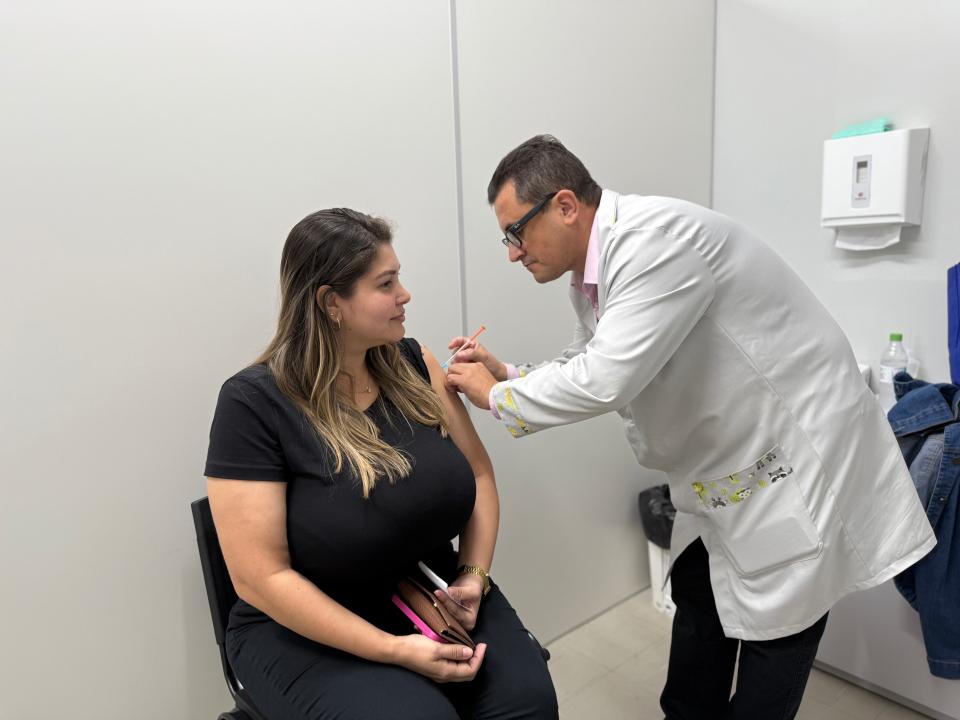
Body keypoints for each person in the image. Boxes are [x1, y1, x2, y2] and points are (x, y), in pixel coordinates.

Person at [445, 135, 936, 719]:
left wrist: (496, 396)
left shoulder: (654, 244)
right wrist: (511, 374)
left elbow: (606, 380)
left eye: (515, 233)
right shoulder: (598, 267)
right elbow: (591, 356)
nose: (513, 253)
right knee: (699, 591)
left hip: (793, 455)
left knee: (782, 627)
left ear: (566, 206)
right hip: (729, 466)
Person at [204, 208, 557, 720]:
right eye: (386, 283)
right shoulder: (253, 404)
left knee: (528, 704)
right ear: (331, 303)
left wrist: (472, 576)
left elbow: (479, 474)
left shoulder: (416, 364)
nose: (405, 295)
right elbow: (261, 578)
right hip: (302, 624)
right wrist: (393, 650)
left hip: (426, 588)